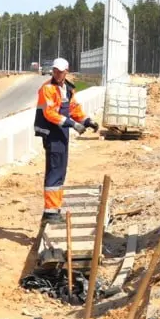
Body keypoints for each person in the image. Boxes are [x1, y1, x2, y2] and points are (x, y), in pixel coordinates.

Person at [33, 57, 99, 223]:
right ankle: (50, 212)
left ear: (66, 71)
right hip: (52, 133)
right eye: (55, 71)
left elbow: (73, 108)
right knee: (55, 171)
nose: (57, 74)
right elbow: (49, 113)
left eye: (60, 72)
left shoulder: (67, 89)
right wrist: (72, 124)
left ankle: (55, 208)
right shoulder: (47, 89)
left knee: (60, 171)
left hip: (62, 133)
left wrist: (87, 121)